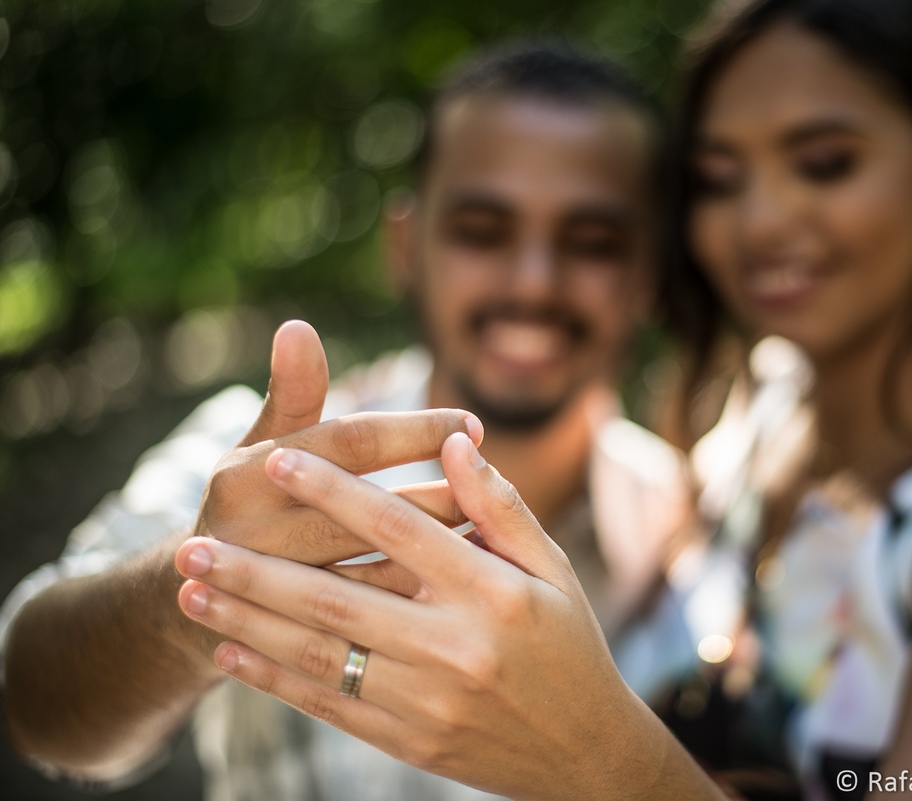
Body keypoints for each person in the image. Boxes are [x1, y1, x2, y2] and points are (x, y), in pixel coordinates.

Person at [162, 1, 912, 799]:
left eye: (825, 163)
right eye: (720, 180)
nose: (762, 220)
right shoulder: (752, 417)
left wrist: (595, 753)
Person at [0, 42, 698, 801]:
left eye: (593, 241)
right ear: (407, 244)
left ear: (650, 271)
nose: (533, 280)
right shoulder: (263, 461)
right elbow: (28, 699)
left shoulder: (695, 519)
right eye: (482, 229)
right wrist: (197, 593)